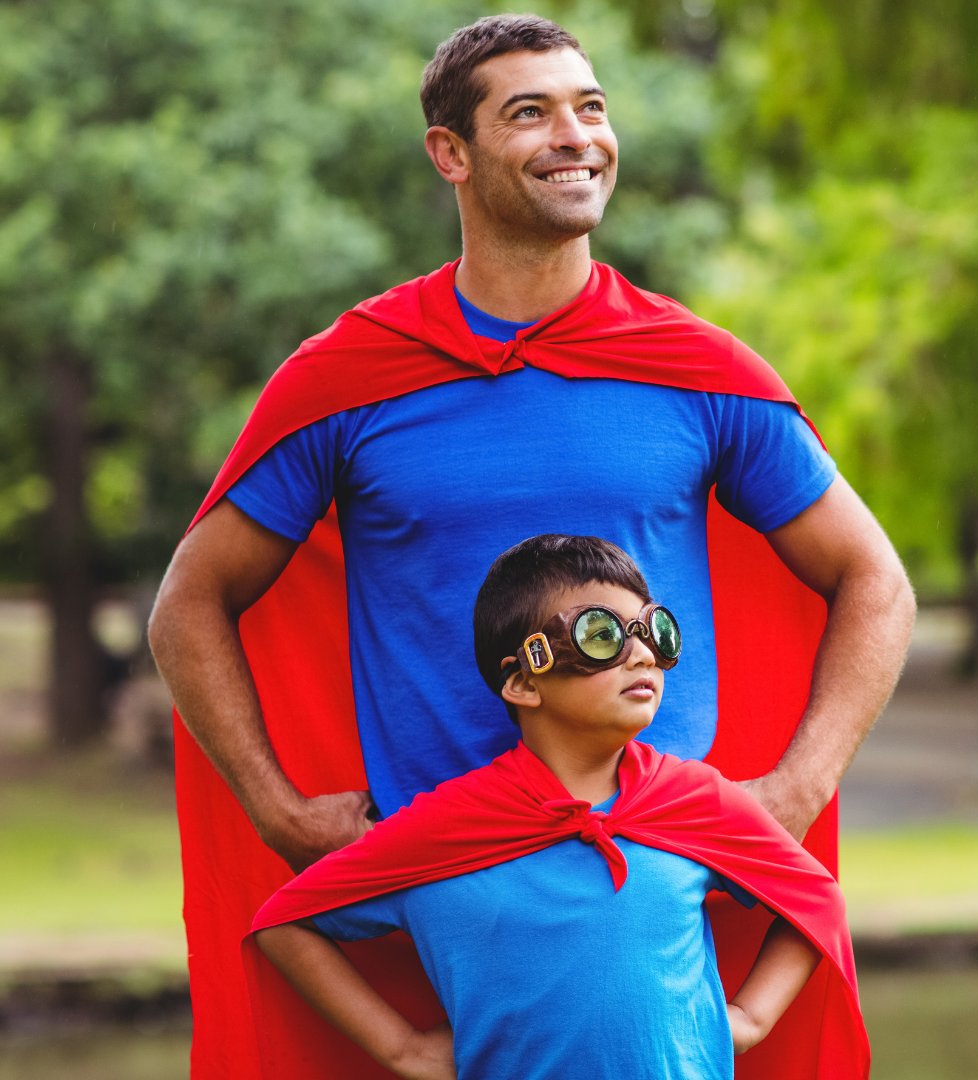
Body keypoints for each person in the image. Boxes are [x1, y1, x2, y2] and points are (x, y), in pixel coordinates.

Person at [146, 14, 913, 1080]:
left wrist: (794, 789)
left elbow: (874, 578)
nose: (576, 135)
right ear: (449, 153)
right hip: (438, 887)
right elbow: (189, 602)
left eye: (591, 107)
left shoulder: (695, 369)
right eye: (531, 113)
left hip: (652, 885)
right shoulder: (352, 376)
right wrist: (278, 808)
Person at [251, 535, 866, 1080]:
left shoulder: (695, 800)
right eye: (602, 634)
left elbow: (815, 898)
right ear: (523, 679)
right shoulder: (447, 828)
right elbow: (285, 924)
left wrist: (748, 1019)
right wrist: (405, 1050)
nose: (643, 653)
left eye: (654, 632)